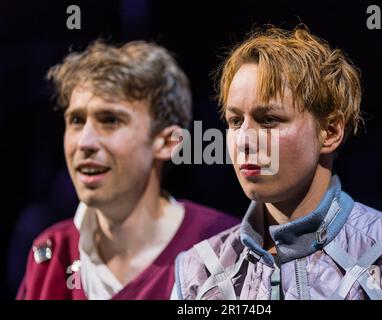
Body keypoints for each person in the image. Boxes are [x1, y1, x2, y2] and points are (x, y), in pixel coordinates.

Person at [173, 26, 382, 300]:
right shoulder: (198, 272)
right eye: (235, 121)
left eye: (269, 119)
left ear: (330, 132)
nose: (244, 140)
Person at [17, 40, 239, 300]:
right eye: (76, 120)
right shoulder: (51, 253)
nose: (84, 142)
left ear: (168, 142)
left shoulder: (224, 249)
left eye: (110, 120)